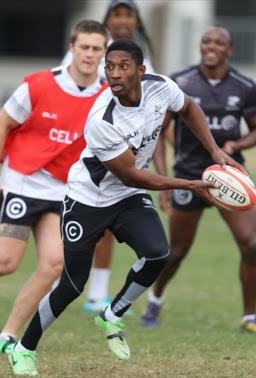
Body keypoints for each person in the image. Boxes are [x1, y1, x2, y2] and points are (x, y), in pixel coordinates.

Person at [8, 38, 245, 376]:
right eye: (110, 67)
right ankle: (23, 348)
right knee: (72, 286)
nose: (114, 74)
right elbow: (133, 176)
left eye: (123, 67)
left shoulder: (161, 87)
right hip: (88, 199)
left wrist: (215, 152)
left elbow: (189, 109)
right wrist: (189, 184)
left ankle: (111, 315)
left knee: (157, 254)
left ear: (141, 71)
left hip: (125, 197)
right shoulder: (102, 119)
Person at [0, 20, 109, 354]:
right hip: (22, 182)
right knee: (4, 264)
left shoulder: (105, 96)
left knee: (54, 265)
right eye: (84, 47)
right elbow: (0, 125)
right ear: (71, 47)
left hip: (62, 191)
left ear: (103, 53)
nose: (89, 54)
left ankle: (8, 336)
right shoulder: (39, 85)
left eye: (96, 48)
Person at [140, 26, 256, 335]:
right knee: (175, 252)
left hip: (229, 176)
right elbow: (160, 132)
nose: (210, 46)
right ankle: (155, 301)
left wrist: (237, 146)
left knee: (250, 245)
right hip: (189, 178)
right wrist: (163, 177)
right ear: (201, 47)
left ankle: (250, 317)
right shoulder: (180, 82)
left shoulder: (245, 87)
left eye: (219, 42)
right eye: (206, 41)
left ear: (230, 50)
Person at [63, 0, 156, 314]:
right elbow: (66, 92)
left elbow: (156, 112)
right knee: (74, 225)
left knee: (108, 225)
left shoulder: (143, 61)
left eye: (128, 14)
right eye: (116, 13)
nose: (122, 19)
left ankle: (97, 295)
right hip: (83, 150)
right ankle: (61, 287)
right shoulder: (90, 48)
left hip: (120, 153)